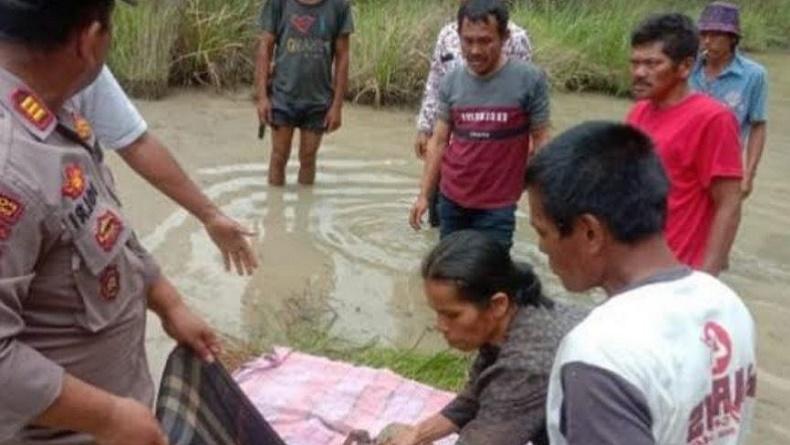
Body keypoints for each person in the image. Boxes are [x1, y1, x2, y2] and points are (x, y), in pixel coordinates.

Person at [0, 1, 220, 443]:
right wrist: (110, 418)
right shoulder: (10, 168)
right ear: (90, 41)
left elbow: (103, 232)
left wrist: (169, 303)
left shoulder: (52, 117)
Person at [524, 121, 756, 444]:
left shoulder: (600, 354)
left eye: (543, 231)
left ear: (590, 233)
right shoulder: (726, 304)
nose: (541, 247)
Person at [382, 230, 586, 445]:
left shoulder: (525, 362)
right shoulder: (513, 317)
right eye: (437, 313)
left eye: (452, 315)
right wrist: (417, 434)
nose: (440, 326)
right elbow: (476, 394)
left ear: (498, 304)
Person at [72, 66, 258, 275]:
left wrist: (210, 215)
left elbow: (135, 142)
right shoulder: (82, 57)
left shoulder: (84, 68)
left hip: (83, 222)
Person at [409, 0, 550, 249]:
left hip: (498, 206)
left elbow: (541, 144)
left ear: (505, 37)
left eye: (485, 41)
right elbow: (440, 142)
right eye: (468, 41)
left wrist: (540, 206)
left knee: (490, 278)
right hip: (451, 199)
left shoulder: (530, 81)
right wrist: (423, 196)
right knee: (450, 274)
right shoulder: (451, 82)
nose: (474, 50)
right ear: (458, 36)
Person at [626, 13, 742, 275]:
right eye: (635, 63)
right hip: (636, 264)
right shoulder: (638, 113)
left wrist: (707, 279)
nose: (639, 72)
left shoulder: (713, 119)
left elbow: (729, 203)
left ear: (685, 67)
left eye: (653, 63)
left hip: (680, 271)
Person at [255, 0, 354, 186]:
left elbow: (343, 56)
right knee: (278, 156)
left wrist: (337, 106)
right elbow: (265, 48)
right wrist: (262, 97)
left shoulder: (339, 6)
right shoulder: (278, 4)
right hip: (282, 96)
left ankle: (305, 210)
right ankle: (274, 212)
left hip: (318, 99)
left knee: (308, 158)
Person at [690, 1, 768, 199]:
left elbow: (757, 125)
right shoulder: (687, 67)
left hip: (724, 168)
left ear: (732, 39)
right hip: (684, 163)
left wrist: (749, 175)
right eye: (704, 34)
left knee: (720, 224)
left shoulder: (753, 75)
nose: (707, 41)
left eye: (716, 35)